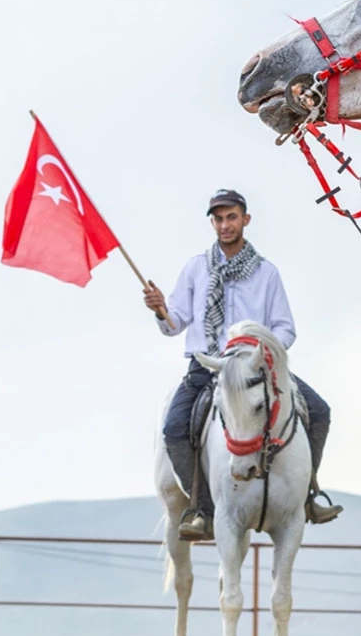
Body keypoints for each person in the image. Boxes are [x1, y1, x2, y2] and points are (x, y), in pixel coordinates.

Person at [144, 188, 342, 541]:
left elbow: (284, 327)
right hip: (207, 368)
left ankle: (309, 493)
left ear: (245, 219)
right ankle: (202, 508)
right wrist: (160, 309)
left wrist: (264, 354)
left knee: (319, 411)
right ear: (212, 223)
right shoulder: (195, 269)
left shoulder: (266, 273)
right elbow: (176, 323)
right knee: (174, 429)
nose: (225, 225)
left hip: (257, 369)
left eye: (231, 217)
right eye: (218, 219)